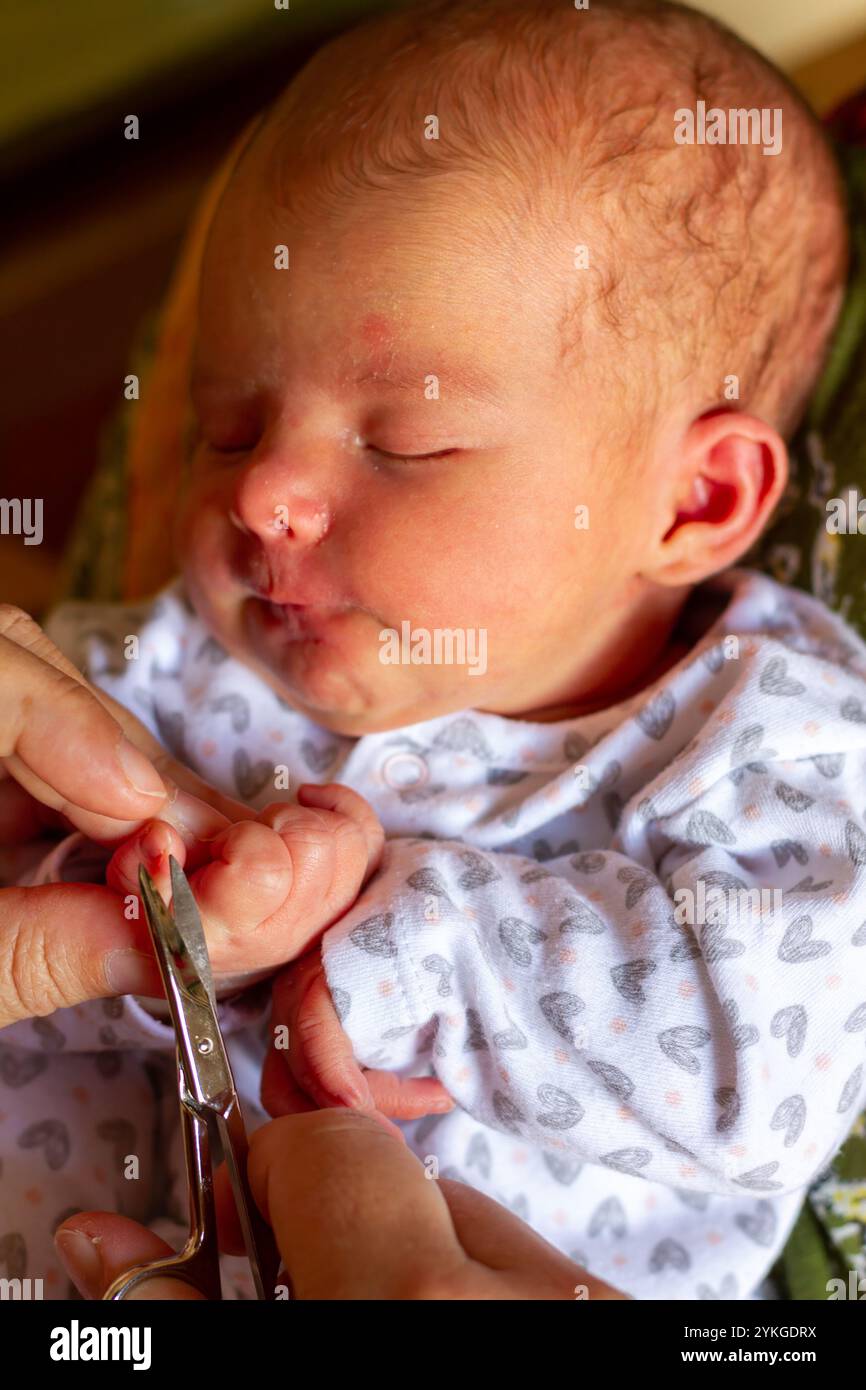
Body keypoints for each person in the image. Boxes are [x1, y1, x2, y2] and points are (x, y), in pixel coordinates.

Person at [2, 0, 863, 1301]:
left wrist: (390, 944)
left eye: (403, 443)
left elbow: (758, 1068)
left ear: (691, 502)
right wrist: (161, 908)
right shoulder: (173, 662)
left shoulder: (772, 735)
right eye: (226, 425)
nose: (257, 494)